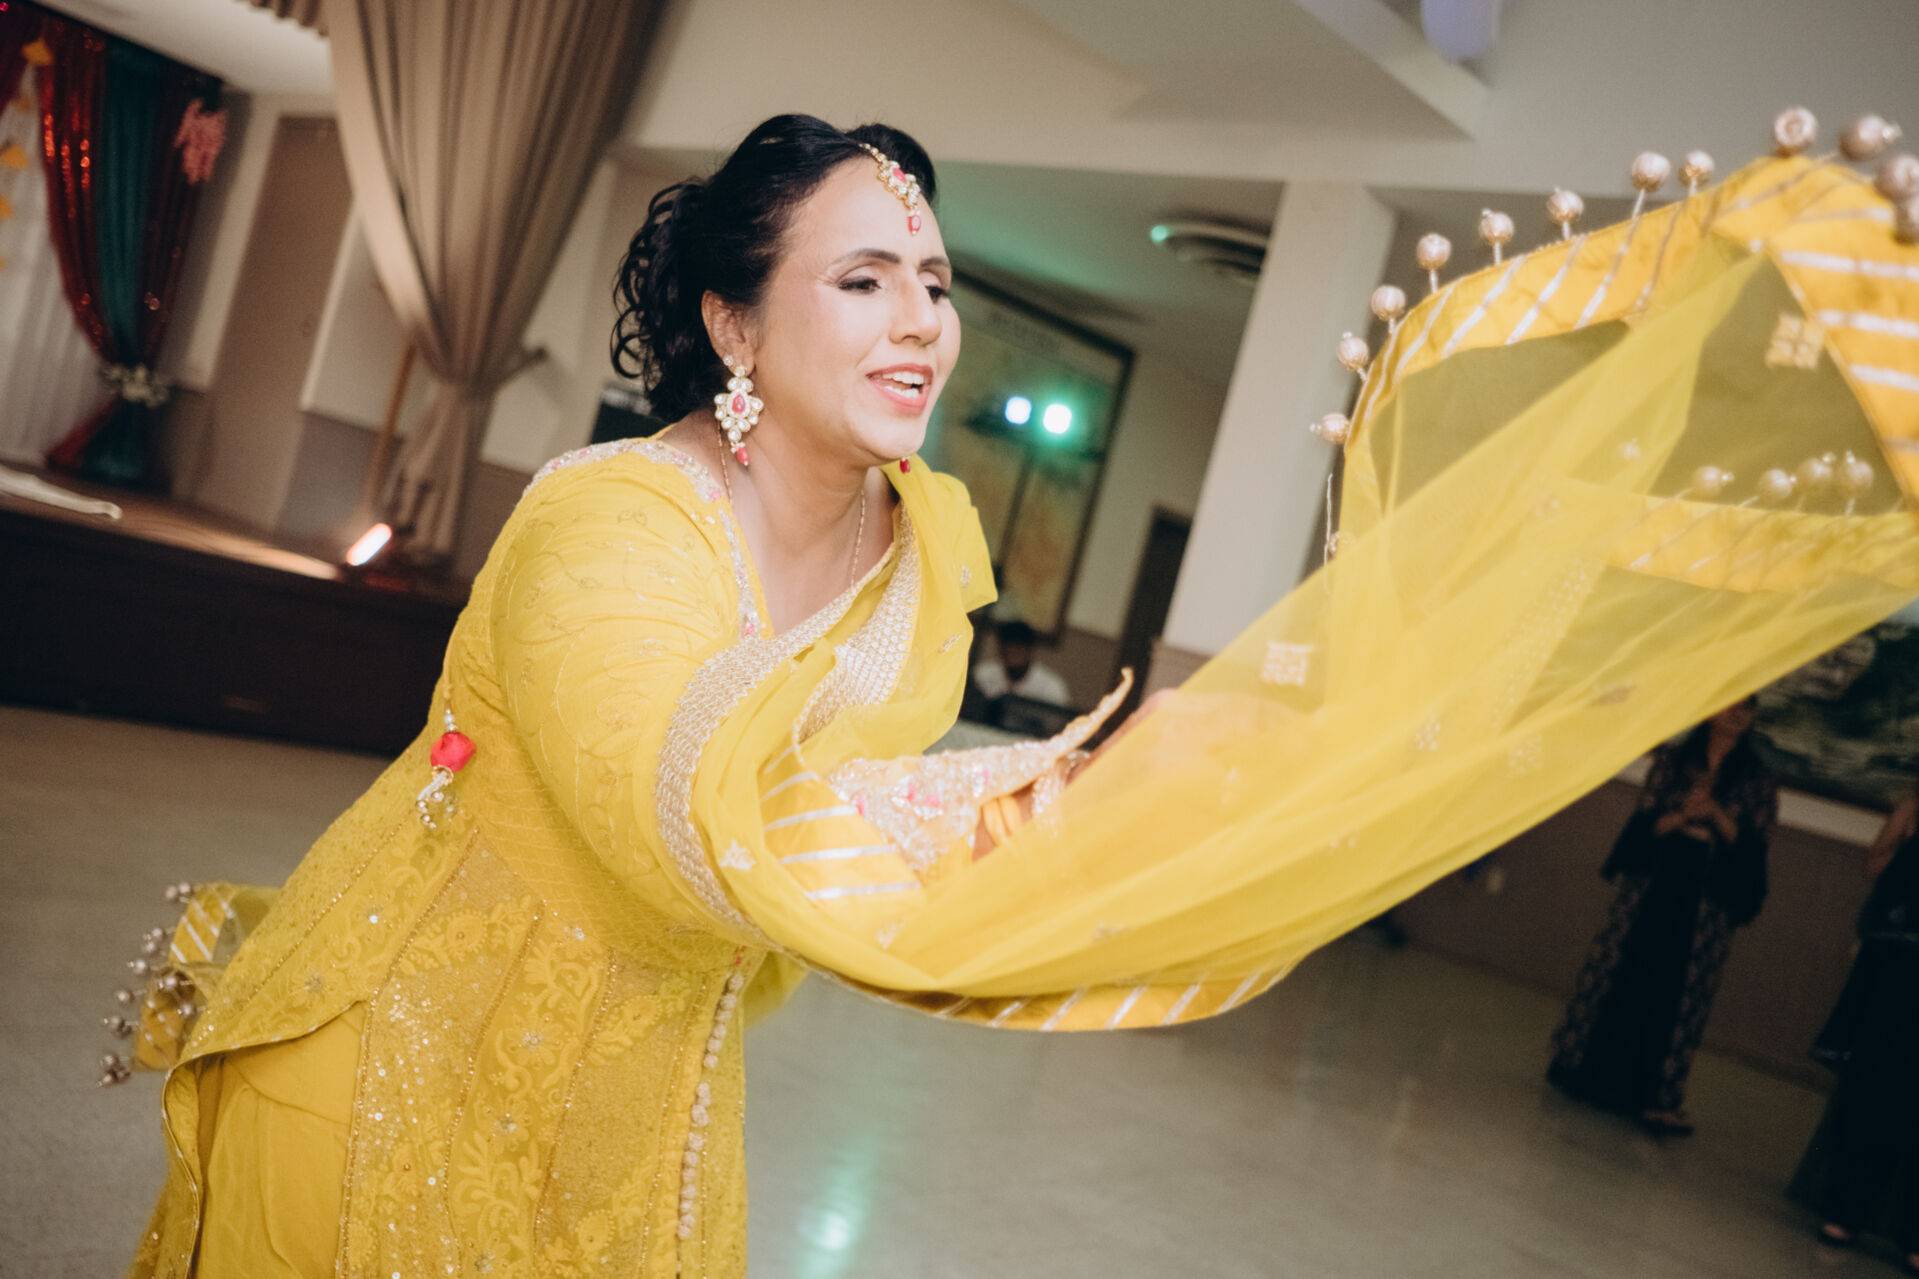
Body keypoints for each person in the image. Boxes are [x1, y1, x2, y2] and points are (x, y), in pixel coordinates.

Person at [1547, 699, 1778, 1135]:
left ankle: (1655, 1097)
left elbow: (1754, 847)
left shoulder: (1758, 779)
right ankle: (1586, 1073)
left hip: (1706, 898)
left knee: (1679, 990)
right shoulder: (1675, 761)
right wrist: (1682, 815)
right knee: (1624, 971)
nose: (1738, 713)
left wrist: (1715, 814)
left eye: (1748, 707)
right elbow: (1644, 824)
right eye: (1732, 703)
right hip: (1656, 883)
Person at [1793, 783, 1919, 1269]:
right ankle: (1846, 1209)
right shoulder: (1913, 807)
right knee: (1873, 1092)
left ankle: (1912, 1232)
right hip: (1898, 969)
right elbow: (1877, 869)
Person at [972, 618, 1072, 705]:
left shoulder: (1051, 686)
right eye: (1008, 649)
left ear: (1030, 651)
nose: (1012, 655)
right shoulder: (981, 675)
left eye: (1018, 649)